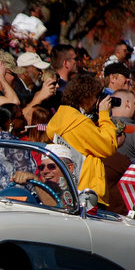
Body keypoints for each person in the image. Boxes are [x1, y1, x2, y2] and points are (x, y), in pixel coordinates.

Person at [45, 74, 117, 206]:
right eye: (97, 96)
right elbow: (109, 146)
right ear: (86, 97)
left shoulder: (60, 119)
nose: (98, 100)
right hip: (86, 194)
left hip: (70, 189)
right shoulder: (79, 124)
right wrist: (104, 115)